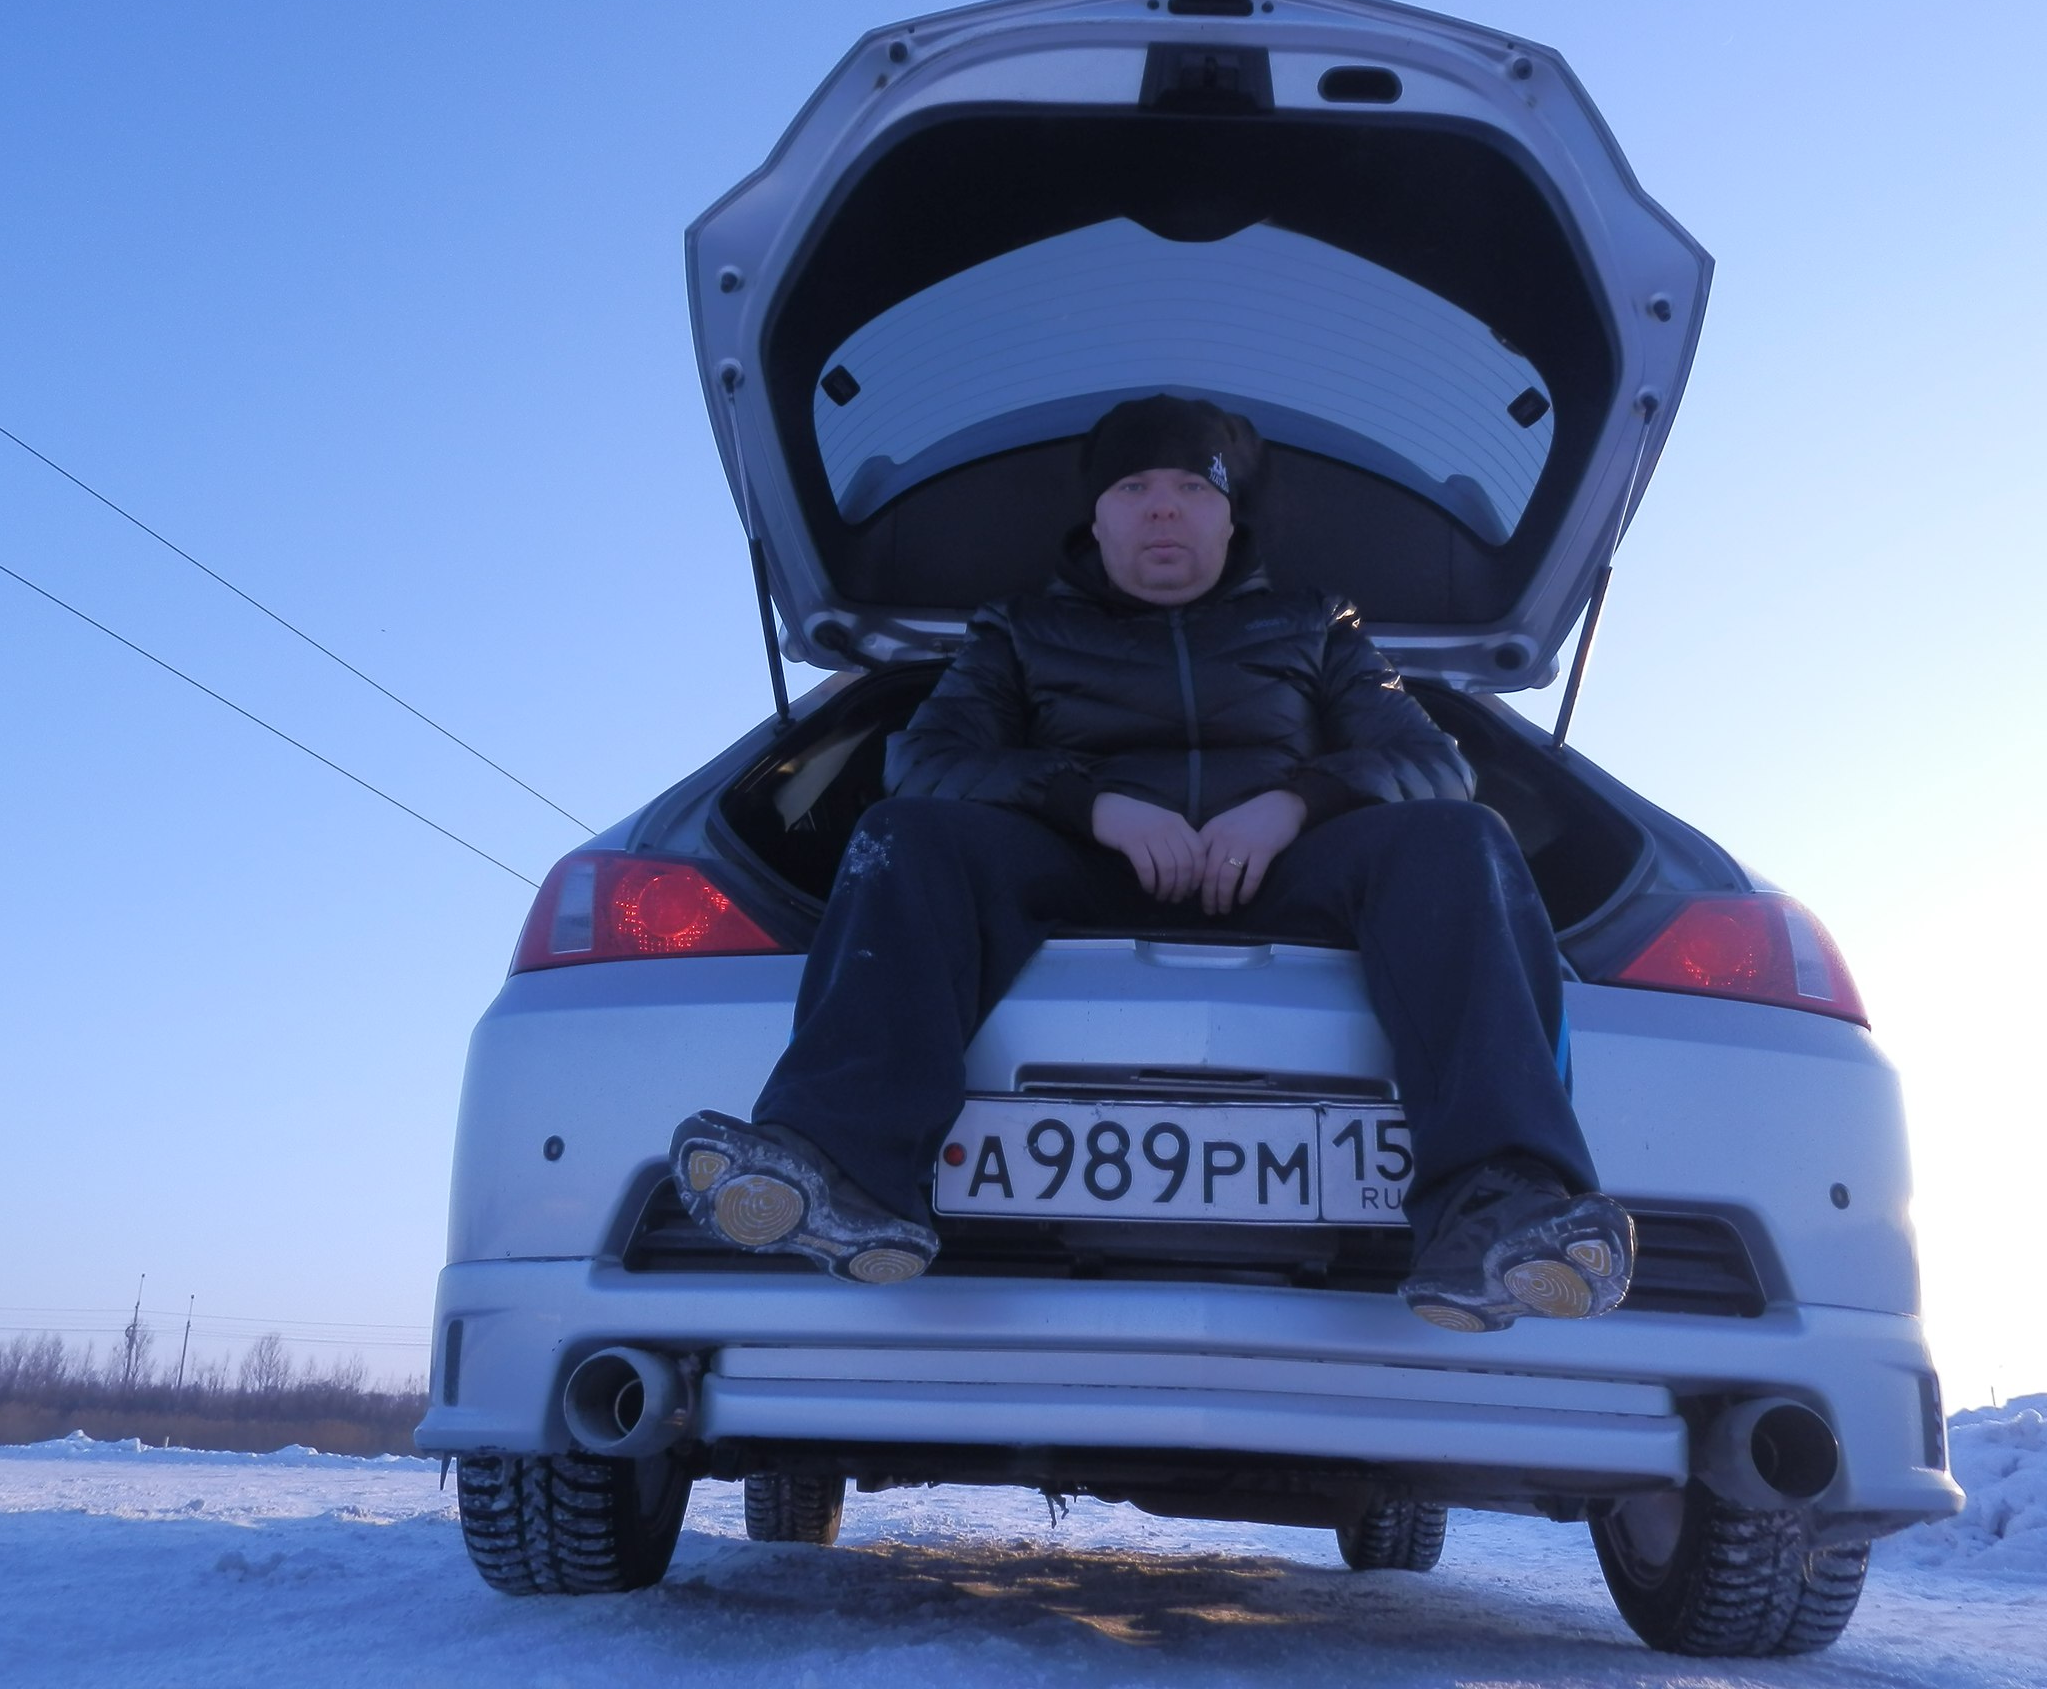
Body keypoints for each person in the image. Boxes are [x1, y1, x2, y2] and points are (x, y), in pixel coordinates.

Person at [669, 394, 1633, 1331]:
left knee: (1460, 835)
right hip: (1076, 874)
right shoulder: (1017, 629)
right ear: (1097, 519)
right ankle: (842, 1168)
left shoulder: (1316, 623)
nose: (1163, 507)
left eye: (1191, 486)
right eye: (1133, 487)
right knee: (906, 830)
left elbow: (1433, 762)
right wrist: (1093, 805)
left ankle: (1498, 1209)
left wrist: (1292, 804)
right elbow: (926, 759)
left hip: (1289, 877)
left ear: (1228, 515)